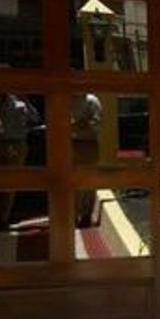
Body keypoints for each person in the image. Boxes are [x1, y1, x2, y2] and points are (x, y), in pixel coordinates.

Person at [0, 92, 41, 231]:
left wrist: (26, 102)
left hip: (14, 144)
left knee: (10, 183)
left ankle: (2, 219)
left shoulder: (18, 103)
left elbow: (35, 119)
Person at [71, 92, 103, 227]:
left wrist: (78, 124)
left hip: (87, 143)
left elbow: (96, 123)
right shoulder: (66, 99)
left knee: (88, 180)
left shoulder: (91, 101)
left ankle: (85, 215)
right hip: (70, 143)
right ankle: (72, 215)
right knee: (71, 180)